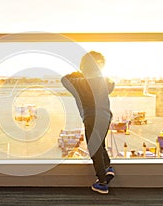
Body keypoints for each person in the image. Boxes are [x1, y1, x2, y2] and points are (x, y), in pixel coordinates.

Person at [61, 51, 115, 194]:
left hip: (91, 117)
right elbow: (111, 84)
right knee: (101, 143)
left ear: (83, 66)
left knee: (94, 148)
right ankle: (108, 168)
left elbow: (64, 79)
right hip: (106, 116)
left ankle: (102, 182)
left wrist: (81, 72)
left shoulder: (78, 82)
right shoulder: (105, 82)